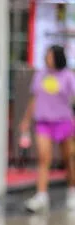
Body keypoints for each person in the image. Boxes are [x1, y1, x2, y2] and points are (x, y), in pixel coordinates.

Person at [19, 45, 75, 213]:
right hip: (43, 122)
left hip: (63, 121)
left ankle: (72, 191)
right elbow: (34, 99)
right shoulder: (40, 75)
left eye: (50, 56)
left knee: (68, 159)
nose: (46, 58)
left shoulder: (67, 76)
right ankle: (42, 195)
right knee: (44, 159)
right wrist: (26, 120)